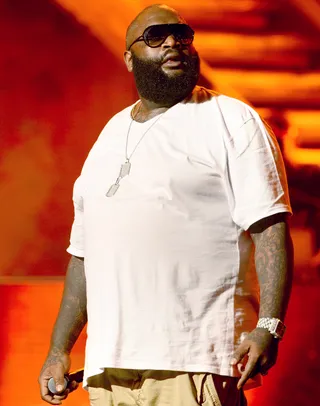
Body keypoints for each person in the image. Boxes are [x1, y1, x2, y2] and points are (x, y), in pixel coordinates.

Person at [38, 4, 294, 406]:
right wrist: (58, 350)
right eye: (155, 37)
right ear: (129, 58)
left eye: (182, 35)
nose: (173, 43)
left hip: (196, 360)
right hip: (109, 370)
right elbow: (83, 256)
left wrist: (269, 326)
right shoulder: (109, 135)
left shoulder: (231, 120)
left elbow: (271, 229)